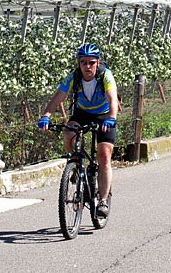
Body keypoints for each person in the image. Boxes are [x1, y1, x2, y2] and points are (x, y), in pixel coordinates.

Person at [38, 43, 118, 217]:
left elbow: (112, 99)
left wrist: (112, 118)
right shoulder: (73, 77)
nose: (87, 67)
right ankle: (76, 164)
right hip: (82, 113)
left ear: (97, 63)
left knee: (104, 155)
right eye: (83, 63)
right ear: (79, 63)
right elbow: (58, 97)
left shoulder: (105, 75)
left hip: (104, 115)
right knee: (68, 133)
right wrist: (46, 115)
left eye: (91, 63)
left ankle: (103, 201)